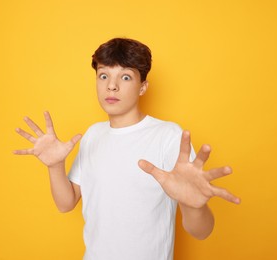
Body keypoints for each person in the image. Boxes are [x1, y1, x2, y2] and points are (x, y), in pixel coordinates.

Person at [13, 38, 240, 260]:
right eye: (104, 76)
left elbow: (202, 231)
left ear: (143, 87)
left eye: (125, 76)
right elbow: (66, 203)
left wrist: (194, 206)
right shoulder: (93, 135)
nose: (112, 85)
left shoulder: (168, 137)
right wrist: (55, 166)